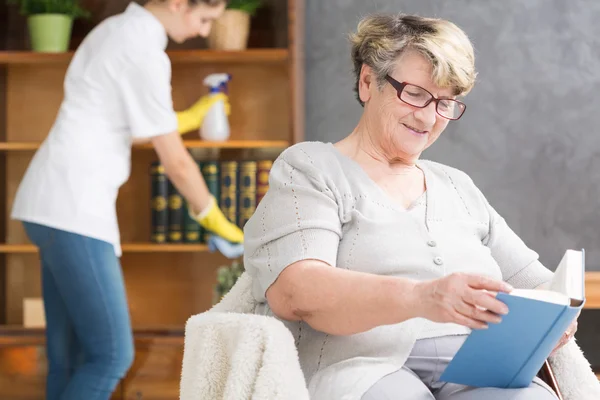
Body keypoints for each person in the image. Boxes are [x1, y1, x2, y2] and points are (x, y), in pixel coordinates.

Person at [243, 13, 577, 400]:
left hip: (477, 366)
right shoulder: (311, 168)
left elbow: (536, 282)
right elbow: (296, 291)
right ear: (368, 82)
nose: (429, 116)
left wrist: (556, 319)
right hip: (364, 365)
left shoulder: (456, 185)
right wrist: (423, 297)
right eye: (416, 94)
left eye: (445, 102)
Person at [10, 0, 243, 399]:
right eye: (204, 18)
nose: (205, 30)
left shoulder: (114, 31)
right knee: (112, 355)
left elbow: (122, 122)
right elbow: (178, 165)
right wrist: (215, 218)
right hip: (74, 209)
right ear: (176, 4)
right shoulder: (144, 51)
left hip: (47, 202)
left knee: (69, 356)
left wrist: (186, 118)